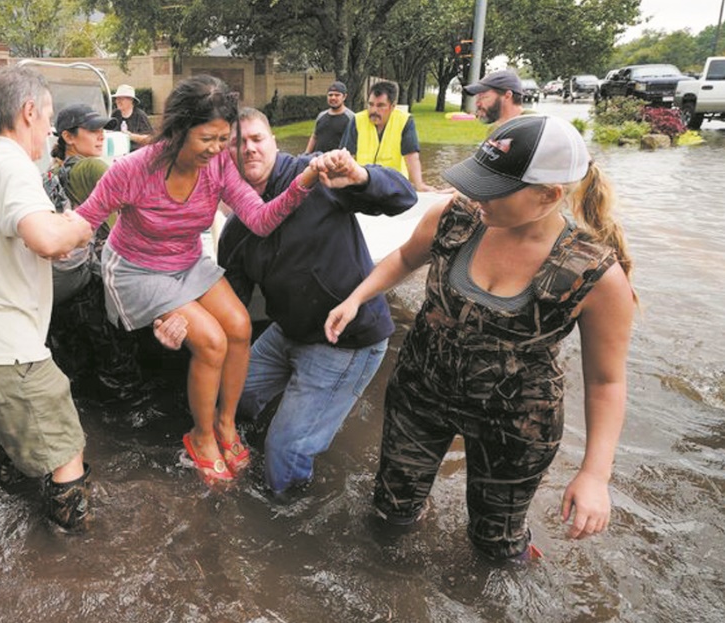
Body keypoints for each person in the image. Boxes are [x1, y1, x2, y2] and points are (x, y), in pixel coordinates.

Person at [325, 115, 636, 560]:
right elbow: (405, 258)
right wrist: (357, 298)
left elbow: (607, 383)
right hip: (421, 393)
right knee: (390, 515)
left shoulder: (595, 274)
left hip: (515, 423)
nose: (475, 196)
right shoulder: (455, 218)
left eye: (493, 188)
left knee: (496, 548)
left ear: (548, 196)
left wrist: (594, 475)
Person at [76, 74, 346, 486]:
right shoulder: (133, 170)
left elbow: (258, 220)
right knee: (212, 341)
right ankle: (200, 436)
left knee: (239, 326)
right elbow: (84, 222)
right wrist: (46, 237)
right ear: (181, 128)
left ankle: (224, 424)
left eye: (225, 139)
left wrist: (304, 179)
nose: (220, 150)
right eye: (209, 138)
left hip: (186, 259)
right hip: (137, 268)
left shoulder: (218, 164)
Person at [218, 107, 418, 494]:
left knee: (284, 453)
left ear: (275, 142)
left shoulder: (317, 174)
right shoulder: (236, 229)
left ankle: (288, 507)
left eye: (257, 139)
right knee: (230, 398)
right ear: (225, 155)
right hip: (287, 331)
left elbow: (404, 197)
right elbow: (232, 311)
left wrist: (362, 178)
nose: (249, 150)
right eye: (237, 143)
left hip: (346, 339)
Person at [0, 66, 96, 532]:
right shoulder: (14, 166)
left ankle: (20, 511)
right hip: (4, 349)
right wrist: (83, 224)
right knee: (67, 449)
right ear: (29, 112)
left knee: (18, 435)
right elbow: (47, 240)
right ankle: (75, 553)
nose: (51, 130)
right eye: (47, 118)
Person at [44, 103, 185, 400]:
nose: (101, 136)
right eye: (92, 131)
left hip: (66, 292)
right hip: (97, 284)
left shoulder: (54, 170)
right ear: (69, 137)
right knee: (122, 375)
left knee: (79, 375)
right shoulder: (93, 166)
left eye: (103, 130)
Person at [340, 80, 437, 192]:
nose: (374, 110)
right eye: (370, 104)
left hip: (394, 185)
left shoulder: (404, 120)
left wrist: (419, 185)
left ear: (392, 106)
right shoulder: (357, 120)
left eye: (381, 105)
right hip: (363, 184)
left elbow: (411, 156)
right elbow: (347, 155)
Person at [305, 81, 355, 154]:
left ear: (344, 97)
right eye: (330, 95)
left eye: (337, 95)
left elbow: (354, 142)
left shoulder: (351, 118)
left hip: (337, 162)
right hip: (318, 160)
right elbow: (314, 136)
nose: (333, 98)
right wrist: (306, 154)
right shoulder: (321, 115)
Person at [463, 69, 528, 125]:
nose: (477, 103)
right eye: (478, 98)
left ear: (507, 96)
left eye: (483, 97)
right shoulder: (495, 129)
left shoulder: (534, 126)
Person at [109, 84, 154, 148]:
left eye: (121, 99)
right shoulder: (115, 114)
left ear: (131, 100)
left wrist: (131, 136)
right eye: (117, 99)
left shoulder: (140, 116)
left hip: (136, 153)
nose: (117, 101)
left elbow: (149, 139)